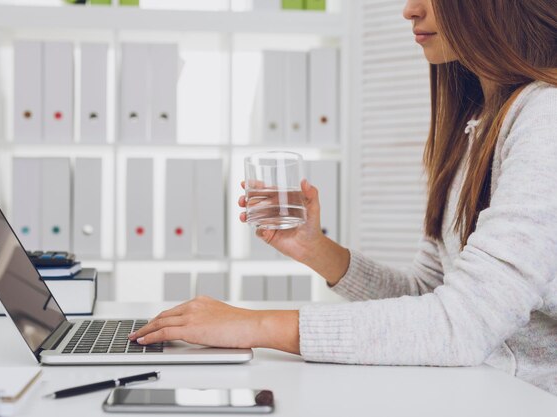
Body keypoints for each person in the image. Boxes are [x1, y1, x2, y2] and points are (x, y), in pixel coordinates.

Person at [129, 0, 557, 395]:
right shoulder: (475, 125)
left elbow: (462, 325)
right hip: (485, 389)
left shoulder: (545, 118)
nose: (409, 10)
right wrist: (316, 249)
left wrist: (252, 325)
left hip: (526, 397)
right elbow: (428, 292)